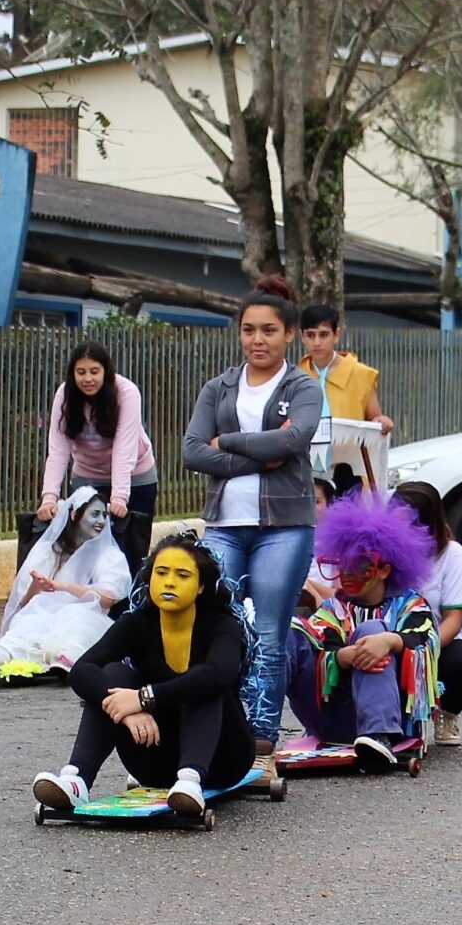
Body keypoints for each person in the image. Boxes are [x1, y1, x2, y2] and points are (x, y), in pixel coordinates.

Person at [184, 276, 322, 761]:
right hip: (224, 524)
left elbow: (293, 440)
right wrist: (257, 454)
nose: (257, 340)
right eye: (248, 330)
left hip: (283, 529)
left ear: (289, 335)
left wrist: (232, 441)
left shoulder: (303, 386)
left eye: (268, 331)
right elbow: (191, 451)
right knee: (219, 625)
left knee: (268, 631)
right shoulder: (217, 387)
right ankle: (219, 724)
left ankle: (262, 732)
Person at [32, 538, 256, 817]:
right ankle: (76, 780)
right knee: (112, 674)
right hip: (153, 758)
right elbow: (82, 670)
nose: (169, 582)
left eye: (182, 575)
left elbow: (219, 675)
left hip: (223, 759)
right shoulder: (137, 622)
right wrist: (127, 711)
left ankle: (190, 781)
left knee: (202, 679)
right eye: (161, 573)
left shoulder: (222, 625)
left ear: (200, 586)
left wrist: (143, 698)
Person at [285, 492, 438, 771]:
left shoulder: (411, 605)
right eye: (343, 565)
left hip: (394, 721)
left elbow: (426, 642)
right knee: (290, 630)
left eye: (360, 566)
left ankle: (378, 735)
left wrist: (390, 641)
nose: (348, 575)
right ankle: (260, 729)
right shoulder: (333, 608)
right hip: (334, 717)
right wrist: (346, 656)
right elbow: (320, 642)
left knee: (372, 630)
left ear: (384, 570)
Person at [0, 485, 133, 679]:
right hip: (44, 611)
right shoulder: (50, 551)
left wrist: (64, 587)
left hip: (86, 614)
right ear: (75, 515)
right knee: (28, 625)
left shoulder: (108, 555)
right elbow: (23, 603)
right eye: (94, 514)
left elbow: (108, 598)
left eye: (103, 515)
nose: (100, 521)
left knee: (76, 623)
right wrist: (37, 586)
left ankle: (65, 659)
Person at [36, 341, 156, 571]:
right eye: (81, 372)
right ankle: (89, 603)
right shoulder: (65, 394)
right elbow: (59, 449)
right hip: (88, 477)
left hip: (135, 477)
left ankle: (128, 603)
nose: (87, 379)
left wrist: (120, 497)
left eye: (94, 372)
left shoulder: (127, 392)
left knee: (129, 552)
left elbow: (124, 448)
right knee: (86, 551)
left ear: (106, 371)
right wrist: (49, 497)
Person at [394, 480, 462, 745]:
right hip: (390, 639)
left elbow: (454, 621)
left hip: (435, 646)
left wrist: (419, 651)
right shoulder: (385, 551)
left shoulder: (451, 554)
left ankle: (447, 711)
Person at [298, 302, 392, 475]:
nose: (317, 342)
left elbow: (375, 417)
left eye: (324, 335)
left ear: (336, 335)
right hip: (304, 470)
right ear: (302, 336)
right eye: (310, 335)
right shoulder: (294, 376)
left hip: (348, 471)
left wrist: (381, 421)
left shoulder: (360, 374)